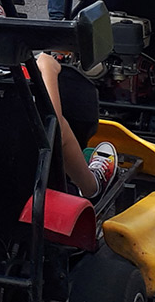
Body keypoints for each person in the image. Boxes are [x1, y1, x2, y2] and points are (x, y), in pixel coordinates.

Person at [31, 51, 117, 199]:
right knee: (60, 119)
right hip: (37, 195)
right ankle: (91, 187)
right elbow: (54, 130)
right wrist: (48, 70)